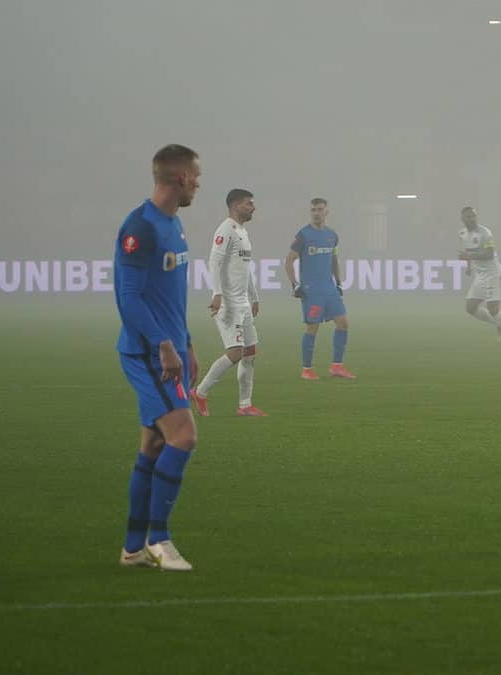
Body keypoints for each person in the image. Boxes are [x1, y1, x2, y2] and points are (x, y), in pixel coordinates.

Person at [114, 144, 202, 571]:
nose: (199, 182)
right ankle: (160, 538)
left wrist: (186, 342)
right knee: (183, 436)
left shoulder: (174, 224)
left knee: (152, 443)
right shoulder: (141, 227)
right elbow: (127, 296)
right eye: (196, 175)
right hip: (148, 352)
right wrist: (164, 345)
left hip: (168, 348)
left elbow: (172, 295)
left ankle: (133, 548)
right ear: (181, 177)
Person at [190, 189, 266, 417]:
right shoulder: (225, 229)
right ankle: (200, 392)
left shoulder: (242, 231)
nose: (253, 207)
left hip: (242, 302)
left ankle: (245, 405)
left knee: (250, 353)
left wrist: (254, 296)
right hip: (229, 304)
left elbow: (245, 269)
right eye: (249, 203)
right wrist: (217, 293)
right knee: (235, 353)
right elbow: (214, 261)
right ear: (235, 205)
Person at [284, 198, 355, 380]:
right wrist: (295, 284)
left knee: (343, 323)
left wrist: (338, 282)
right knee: (312, 327)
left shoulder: (332, 235)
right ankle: (306, 369)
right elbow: (289, 260)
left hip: (330, 288)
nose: (316, 213)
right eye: (313, 210)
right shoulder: (303, 235)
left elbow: (333, 260)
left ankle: (337, 367)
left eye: (320, 209)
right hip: (311, 289)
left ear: (326, 212)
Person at [457, 206, 501, 347]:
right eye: (468, 217)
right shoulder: (462, 234)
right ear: (462, 219)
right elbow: (468, 250)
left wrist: (469, 256)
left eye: (473, 216)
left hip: (492, 274)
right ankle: (498, 322)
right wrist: (468, 266)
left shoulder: (485, 233)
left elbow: (489, 254)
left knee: (493, 309)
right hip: (480, 276)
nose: (472, 219)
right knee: (470, 308)